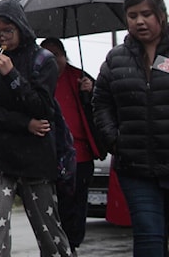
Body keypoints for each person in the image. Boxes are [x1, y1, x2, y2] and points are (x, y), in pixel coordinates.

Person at [0, 0, 70, 257]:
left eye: (8, 30)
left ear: (20, 26)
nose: (2, 37)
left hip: (36, 159)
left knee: (49, 231)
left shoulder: (44, 60)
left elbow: (42, 108)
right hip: (0, 156)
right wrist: (24, 124)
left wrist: (13, 76)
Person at [93, 0, 169, 257]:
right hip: (135, 166)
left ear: (161, 15)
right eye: (133, 15)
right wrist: (114, 139)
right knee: (149, 236)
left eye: (146, 14)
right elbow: (101, 103)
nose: (139, 21)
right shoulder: (116, 59)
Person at [40, 37, 105, 254]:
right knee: (53, 206)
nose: (52, 59)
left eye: (56, 54)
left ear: (64, 56)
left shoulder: (80, 79)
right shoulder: (37, 80)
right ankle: (55, 246)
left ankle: (72, 245)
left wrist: (91, 90)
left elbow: (100, 106)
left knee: (77, 206)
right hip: (50, 154)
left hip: (81, 155)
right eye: (46, 55)